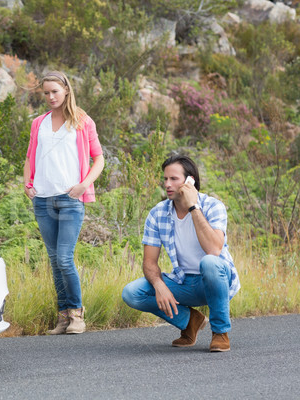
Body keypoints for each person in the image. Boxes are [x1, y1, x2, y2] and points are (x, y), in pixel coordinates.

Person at [122, 154, 241, 351]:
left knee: (209, 262)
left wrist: (193, 206)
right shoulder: (157, 213)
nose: (167, 184)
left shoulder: (213, 206)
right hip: (183, 281)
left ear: (189, 181)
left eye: (174, 179)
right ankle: (190, 322)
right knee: (132, 293)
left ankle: (220, 332)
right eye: (165, 179)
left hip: (215, 278)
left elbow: (214, 249)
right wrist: (159, 285)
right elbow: (149, 262)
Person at [23, 71, 105, 335]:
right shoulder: (39, 123)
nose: (50, 97)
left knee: (64, 258)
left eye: (55, 92)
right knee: (53, 259)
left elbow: (99, 158)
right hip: (43, 200)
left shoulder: (82, 121)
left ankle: (77, 315)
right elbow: (29, 157)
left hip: (70, 199)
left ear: (66, 90)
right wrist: (28, 184)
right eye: (46, 93)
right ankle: (62, 318)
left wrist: (84, 185)